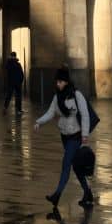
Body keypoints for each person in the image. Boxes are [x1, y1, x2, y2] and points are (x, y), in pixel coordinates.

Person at [35, 67, 94, 208]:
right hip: (65, 136)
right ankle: (87, 192)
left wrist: (85, 134)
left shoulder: (77, 95)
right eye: (57, 82)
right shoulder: (57, 97)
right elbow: (50, 113)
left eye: (60, 82)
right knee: (76, 166)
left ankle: (57, 195)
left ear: (66, 82)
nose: (58, 84)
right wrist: (39, 122)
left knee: (66, 164)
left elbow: (85, 115)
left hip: (76, 136)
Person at [3, 51, 25, 115]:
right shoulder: (17, 64)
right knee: (17, 96)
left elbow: (21, 73)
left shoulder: (9, 64)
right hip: (16, 82)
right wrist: (21, 80)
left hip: (12, 82)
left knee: (9, 95)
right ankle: (18, 110)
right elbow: (21, 74)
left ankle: (5, 108)